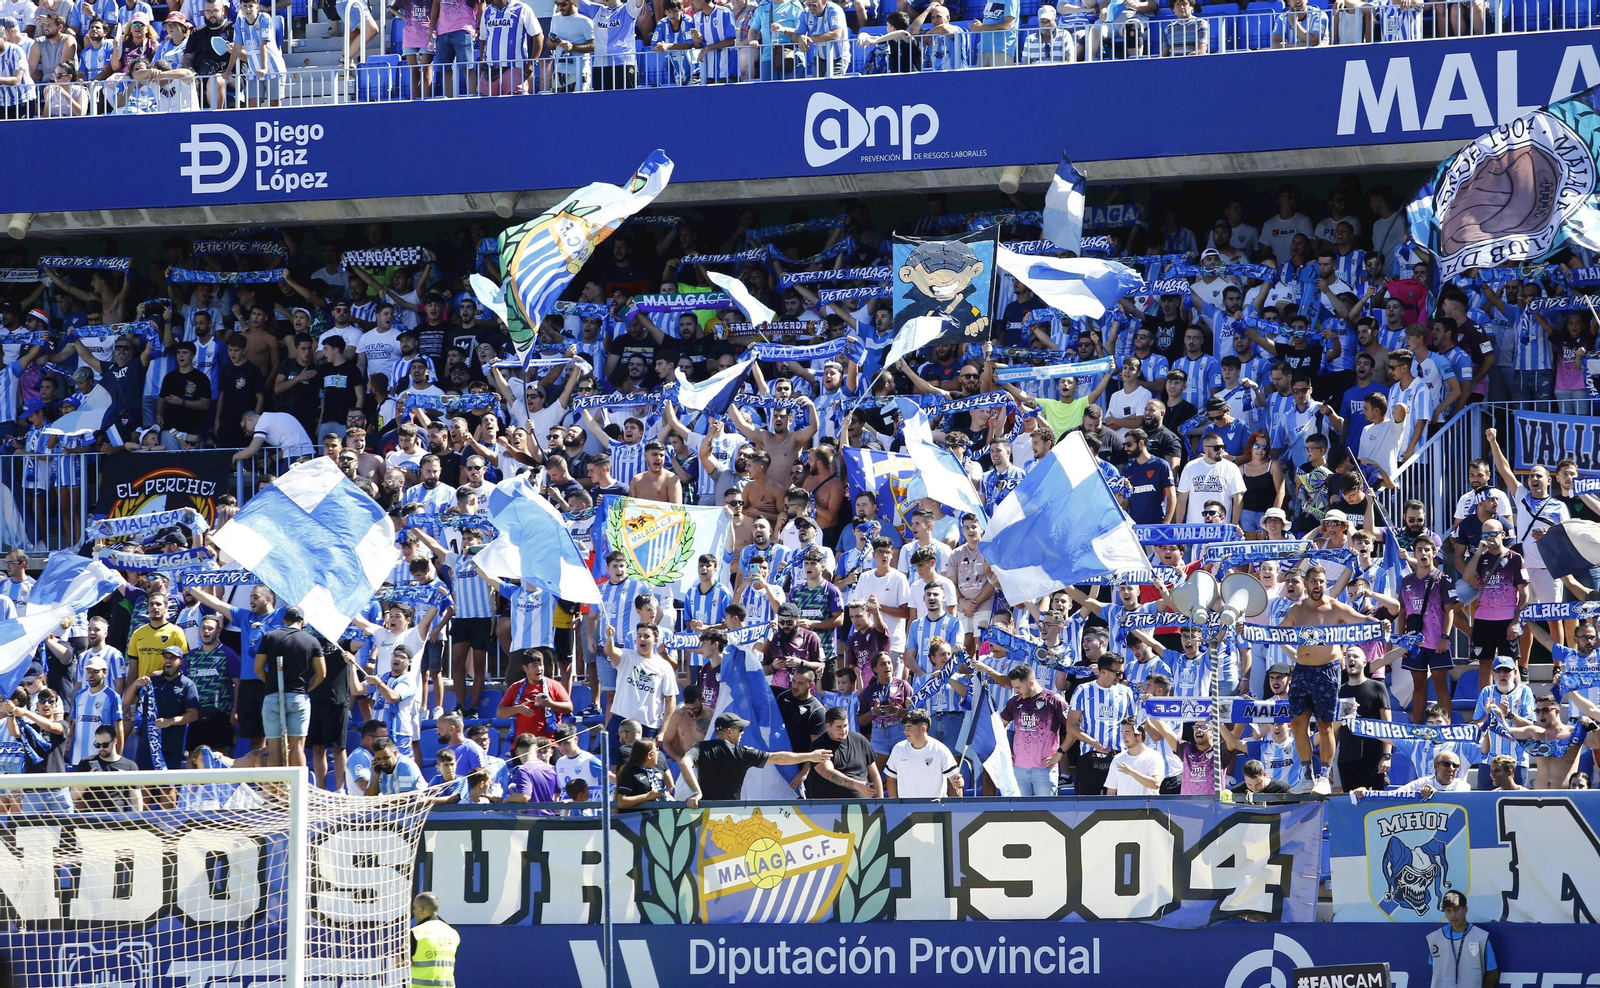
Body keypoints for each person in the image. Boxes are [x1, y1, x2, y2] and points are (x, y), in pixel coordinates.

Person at [1284, 564, 1368, 794]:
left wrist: (1382, 625)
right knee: (1298, 724)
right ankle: (1306, 775)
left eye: (1322, 581)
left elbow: (1361, 620)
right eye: (1314, 581)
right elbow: (1275, 632)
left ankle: (1323, 776)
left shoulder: (1335, 607)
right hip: (1301, 671)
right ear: (1307, 584)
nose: (1318, 585)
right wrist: (1248, 629)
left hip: (1327, 671)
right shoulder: (1296, 610)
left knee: (1325, 726)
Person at [255, 607, 326, 769]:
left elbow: (258, 668)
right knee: (297, 747)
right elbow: (322, 673)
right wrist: (307, 688)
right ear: (303, 622)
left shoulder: (270, 637)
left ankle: (275, 792)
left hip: (273, 696)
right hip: (298, 697)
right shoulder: (312, 641)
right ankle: (298, 791)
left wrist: (270, 683)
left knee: (274, 749)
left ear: (284, 620)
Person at [120, 645, 200, 771]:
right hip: (147, 745)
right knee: (145, 787)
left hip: (172, 747)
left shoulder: (187, 685)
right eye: (166, 657)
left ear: (181, 661)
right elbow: (128, 701)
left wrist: (171, 721)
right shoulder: (153, 680)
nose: (168, 661)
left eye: (173, 658)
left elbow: (193, 714)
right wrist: (136, 683)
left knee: (169, 789)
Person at [804, 706, 882, 799]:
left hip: (862, 807)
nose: (843, 731)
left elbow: (874, 775)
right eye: (838, 727)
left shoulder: (860, 740)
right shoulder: (819, 746)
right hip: (830, 808)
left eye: (845, 725)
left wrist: (881, 803)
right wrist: (857, 785)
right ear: (828, 726)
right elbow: (829, 773)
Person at [1425, 891, 1497, 988]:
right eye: (1448, 910)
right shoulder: (1434, 938)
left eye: (1456, 909)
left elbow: (1493, 974)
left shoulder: (1481, 938)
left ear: (1465, 909)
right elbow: (1436, 971)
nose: (1452, 915)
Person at [884, 708, 960, 798]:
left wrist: (959, 783)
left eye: (909, 727)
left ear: (923, 729)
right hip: (907, 810)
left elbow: (956, 783)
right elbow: (891, 779)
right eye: (905, 727)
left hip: (936, 810)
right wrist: (895, 807)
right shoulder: (898, 749)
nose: (905, 731)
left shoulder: (940, 750)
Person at [409, 892, 459, 988]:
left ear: (421, 910)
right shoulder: (452, 933)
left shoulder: (415, 933)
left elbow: (400, 963)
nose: (413, 912)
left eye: (414, 908)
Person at [1107, 718, 1166, 796]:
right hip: (1124, 808)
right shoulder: (1118, 758)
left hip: (1148, 807)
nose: (1123, 737)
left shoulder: (1154, 756)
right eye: (1122, 733)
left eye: (1127, 733)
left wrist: (1131, 772)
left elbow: (1156, 783)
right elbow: (1111, 791)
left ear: (1138, 735)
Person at [503, 733, 562, 804]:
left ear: (516, 752)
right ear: (537, 749)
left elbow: (525, 796)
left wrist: (507, 800)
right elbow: (557, 792)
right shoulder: (549, 768)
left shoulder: (523, 770)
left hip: (531, 814)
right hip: (550, 814)